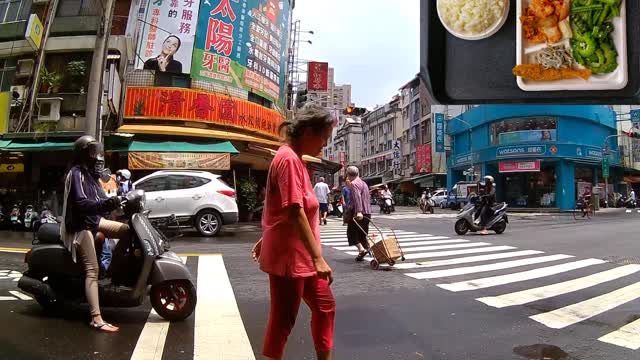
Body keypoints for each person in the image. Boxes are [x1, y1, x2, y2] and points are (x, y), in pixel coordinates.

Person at [250, 103, 336, 360]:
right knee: (283, 321)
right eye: (324, 137)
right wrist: (318, 257)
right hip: (291, 259)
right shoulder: (287, 159)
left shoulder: (296, 160)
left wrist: (267, 235)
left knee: (325, 307)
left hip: (302, 257)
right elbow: (294, 211)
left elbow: (280, 207)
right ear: (308, 131)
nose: (324, 144)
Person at [60, 136, 131, 333]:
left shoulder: (90, 175)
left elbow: (102, 197)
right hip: (79, 226)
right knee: (92, 271)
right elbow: (82, 204)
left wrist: (120, 200)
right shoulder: (76, 174)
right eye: (92, 152)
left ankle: (114, 271)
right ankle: (96, 318)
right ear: (83, 153)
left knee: (126, 231)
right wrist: (108, 203)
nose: (96, 156)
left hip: (93, 220)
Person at [346, 166, 372, 262]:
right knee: (362, 234)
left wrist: (359, 211)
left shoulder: (354, 184)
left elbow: (357, 198)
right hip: (367, 212)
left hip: (358, 213)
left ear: (348, 175)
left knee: (351, 233)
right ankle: (369, 252)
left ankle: (361, 250)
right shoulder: (364, 183)